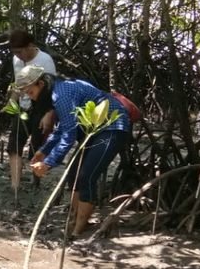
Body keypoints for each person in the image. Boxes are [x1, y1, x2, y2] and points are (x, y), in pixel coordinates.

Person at [18, 65, 132, 237]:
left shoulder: (60, 94)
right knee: (73, 174)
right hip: (91, 131)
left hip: (112, 127)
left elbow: (69, 135)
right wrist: (44, 151)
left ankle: (79, 228)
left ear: (40, 84)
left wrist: (48, 163)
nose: (31, 98)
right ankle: (74, 217)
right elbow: (62, 128)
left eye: (30, 92)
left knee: (87, 175)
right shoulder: (56, 92)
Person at [0, 29, 57, 191]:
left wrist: (49, 114)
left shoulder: (45, 60)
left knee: (37, 147)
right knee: (14, 144)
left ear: (29, 46)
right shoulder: (16, 60)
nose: (17, 55)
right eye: (14, 52)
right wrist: (11, 104)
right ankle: (15, 185)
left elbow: (53, 89)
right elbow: (18, 84)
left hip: (42, 107)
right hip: (23, 107)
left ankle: (35, 181)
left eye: (19, 51)